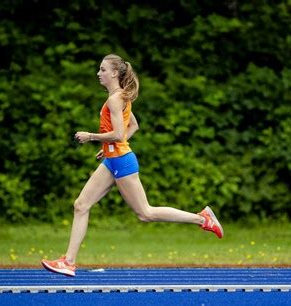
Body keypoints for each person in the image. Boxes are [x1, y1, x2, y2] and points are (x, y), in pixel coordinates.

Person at [41, 54, 223, 277]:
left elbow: (119, 134)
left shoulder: (115, 99)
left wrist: (91, 136)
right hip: (112, 160)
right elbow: (133, 125)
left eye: (103, 69)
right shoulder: (118, 97)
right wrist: (107, 147)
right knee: (81, 205)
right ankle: (68, 262)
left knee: (145, 213)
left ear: (115, 73)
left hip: (121, 161)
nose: (99, 73)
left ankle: (202, 218)